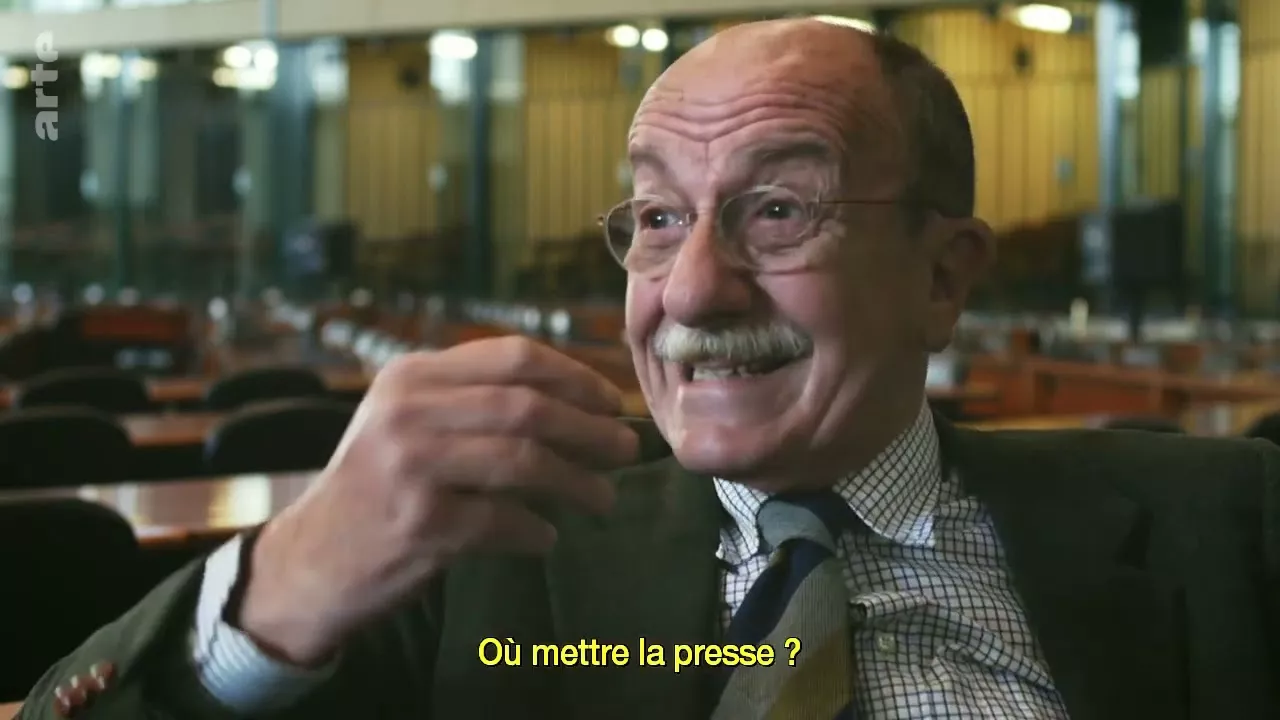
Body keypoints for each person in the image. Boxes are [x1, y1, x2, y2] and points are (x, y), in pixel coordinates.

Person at [20, 19, 1280, 720]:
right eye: (659, 218)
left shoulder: (1229, 524)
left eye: (778, 210)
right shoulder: (476, 564)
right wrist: (284, 580)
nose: (688, 291)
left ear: (942, 276)